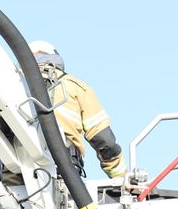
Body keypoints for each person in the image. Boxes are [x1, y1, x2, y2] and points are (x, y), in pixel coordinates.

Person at [28, 41, 126, 179]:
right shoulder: (76, 87)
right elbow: (104, 139)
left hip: (10, 179)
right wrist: (120, 177)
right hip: (63, 172)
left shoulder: (7, 87)